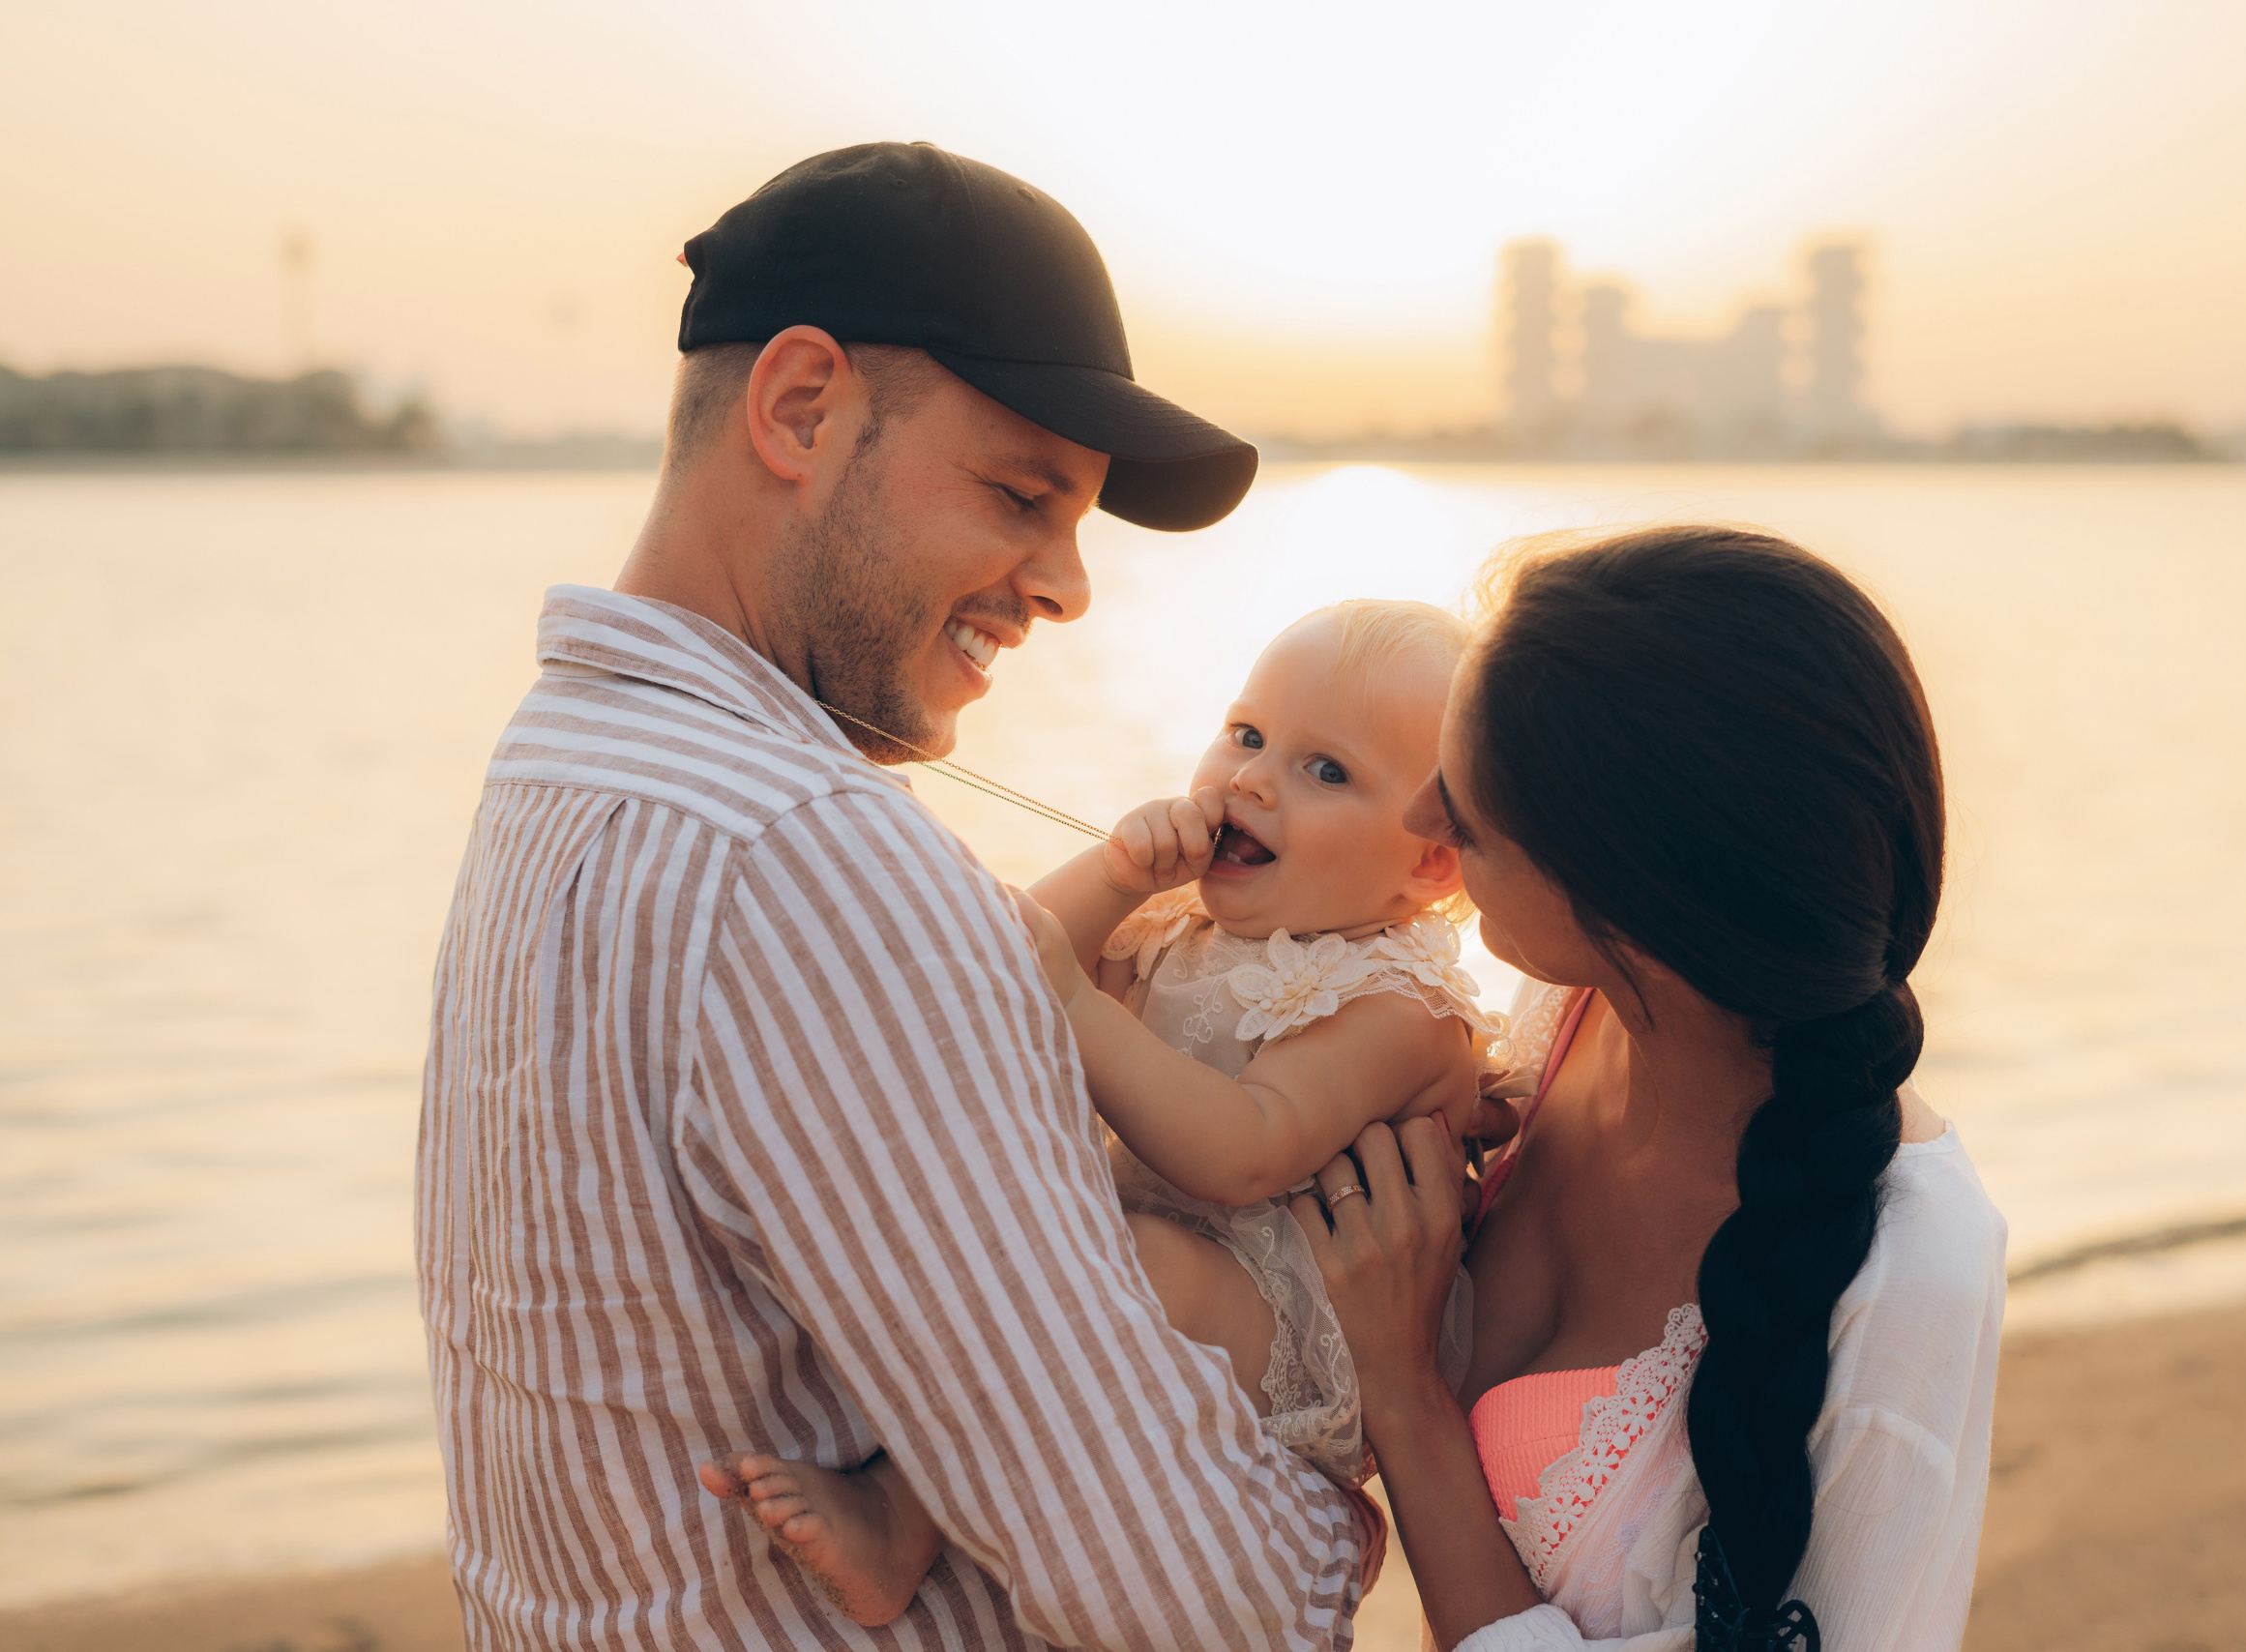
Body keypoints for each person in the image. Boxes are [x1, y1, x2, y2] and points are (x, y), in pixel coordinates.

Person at [417, 141, 1368, 1652]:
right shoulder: (806, 849)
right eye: (1018, 493)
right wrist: (1350, 1481)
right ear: (802, 409)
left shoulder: (561, 766)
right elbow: (1201, 1605)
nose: (1067, 584)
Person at [703, 601, 1493, 1622]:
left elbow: (1245, 1150)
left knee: (1118, 1259)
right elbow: (1004, 971)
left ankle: (903, 1514)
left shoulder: (1401, 1005)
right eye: (1247, 734)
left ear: (1429, 861)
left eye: (1325, 769)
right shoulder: (1184, 918)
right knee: (1047, 1234)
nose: (1250, 778)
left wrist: (1078, 1003)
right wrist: (1118, 876)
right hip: (1159, 1252)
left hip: (1305, 1319)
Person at [1293, 528, 2008, 1651]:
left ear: (1629, 896)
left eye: (1469, 819)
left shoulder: (1907, 1272)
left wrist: (1405, 1392)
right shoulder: (1554, 1031)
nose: (1421, 817)